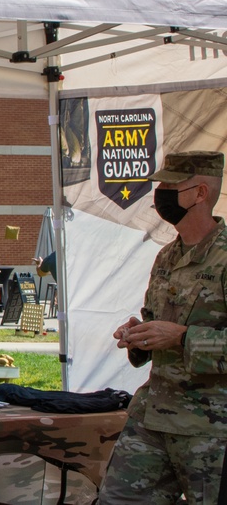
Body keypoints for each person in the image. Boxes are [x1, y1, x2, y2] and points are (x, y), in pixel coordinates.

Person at [99, 151, 227, 504]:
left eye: (171, 186)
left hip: (211, 430)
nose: (161, 194)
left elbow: (178, 335)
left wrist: (183, 338)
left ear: (200, 193)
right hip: (153, 417)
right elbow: (157, 322)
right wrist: (139, 336)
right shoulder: (167, 256)